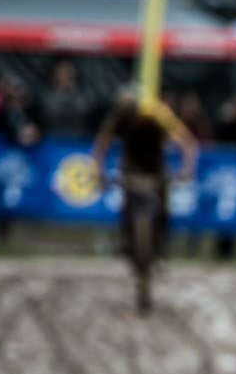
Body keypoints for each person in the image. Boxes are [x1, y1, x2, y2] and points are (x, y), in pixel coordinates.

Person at [90, 87, 198, 263]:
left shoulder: (158, 114)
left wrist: (187, 169)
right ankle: (126, 239)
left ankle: (161, 244)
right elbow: (101, 147)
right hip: (131, 165)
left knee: (163, 205)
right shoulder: (117, 119)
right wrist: (98, 172)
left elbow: (187, 144)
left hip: (156, 165)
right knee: (126, 205)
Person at [42, 61, 92, 139]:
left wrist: (72, 93)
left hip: (80, 138)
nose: (65, 76)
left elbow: (85, 111)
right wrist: (61, 94)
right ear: (55, 76)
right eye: (62, 73)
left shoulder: (83, 94)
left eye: (68, 73)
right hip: (55, 138)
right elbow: (51, 113)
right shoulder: (48, 95)